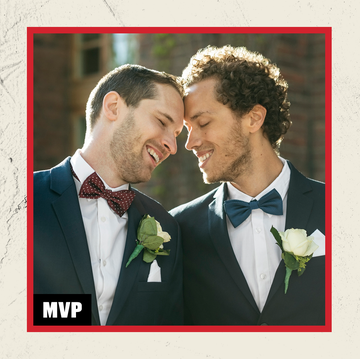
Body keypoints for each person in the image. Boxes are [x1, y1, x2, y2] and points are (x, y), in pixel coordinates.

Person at [170, 46, 325, 325]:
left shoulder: (342, 209)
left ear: (253, 118)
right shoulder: (179, 228)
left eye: (203, 123)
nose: (190, 143)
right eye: (188, 129)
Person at [34, 64, 184, 325]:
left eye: (176, 135)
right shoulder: (20, 200)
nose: (172, 145)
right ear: (113, 106)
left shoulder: (166, 226)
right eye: (162, 122)